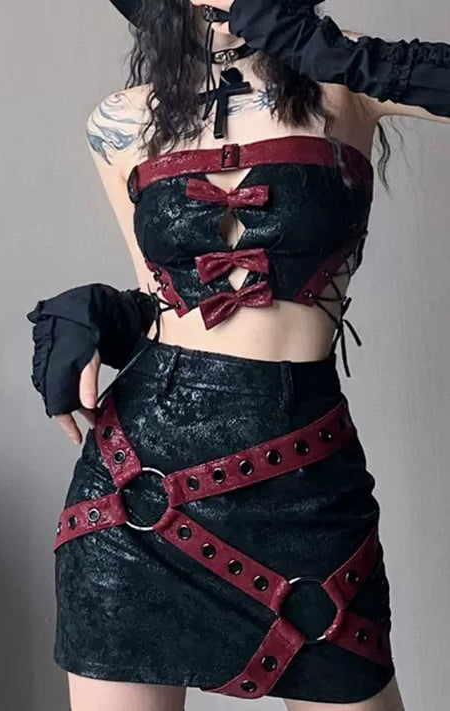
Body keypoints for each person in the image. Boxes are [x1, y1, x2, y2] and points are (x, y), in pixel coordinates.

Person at [26, 2, 450, 710]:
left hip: (307, 474)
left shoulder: (342, 80)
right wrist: (99, 314)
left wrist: (315, 45)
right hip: (137, 486)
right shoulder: (123, 120)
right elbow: (161, 298)